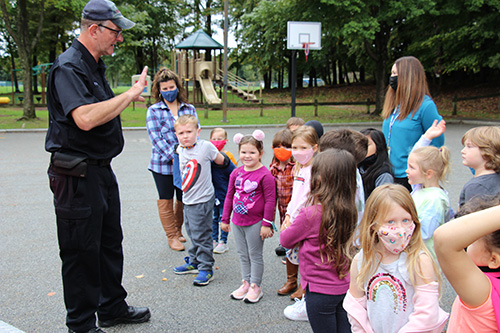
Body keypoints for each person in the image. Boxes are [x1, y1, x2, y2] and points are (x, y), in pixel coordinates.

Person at [44, 0, 151, 331]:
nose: (119, 39)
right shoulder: (68, 67)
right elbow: (85, 118)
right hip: (76, 173)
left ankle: (111, 307)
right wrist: (130, 95)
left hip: (100, 170)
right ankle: (80, 323)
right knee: (80, 252)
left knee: (108, 243)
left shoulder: (93, 65)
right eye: (115, 32)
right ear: (94, 29)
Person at [343, 184, 448, 333]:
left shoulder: (418, 261)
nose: (400, 229)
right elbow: (355, 307)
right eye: (390, 222)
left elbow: (427, 313)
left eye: (405, 220)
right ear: (373, 224)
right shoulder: (361, 261)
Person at [281, 149, 358, 332]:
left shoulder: (311, 214)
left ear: (320, 178)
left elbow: (286, 240)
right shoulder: (351, 210)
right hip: (345, 285)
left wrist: (287, 224)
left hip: (318, 289)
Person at [221, 130, 276, 303]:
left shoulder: (265, 175)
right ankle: (245, 282)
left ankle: (255, 286)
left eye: (252, 152)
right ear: (239, 152)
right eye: (243, 152)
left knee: (255, 254)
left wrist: (267, 223)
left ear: (260, 153)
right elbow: (229, 196)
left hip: (256, 222)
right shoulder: (236, 173)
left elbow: (270, 201)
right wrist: (224, 219)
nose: (247, 156)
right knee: (242, 254)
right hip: (237, 222)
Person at [146, 67, 198, 252]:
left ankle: (178, 229)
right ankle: (172, 236)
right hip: (163, 164)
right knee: (166, 199)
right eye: (165, 89)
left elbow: (194, 134)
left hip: (186, 163)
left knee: (183, 198)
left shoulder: (188, 108)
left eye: (171, 87)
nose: (169, 91)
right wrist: (175, 156)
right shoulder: (153, 110)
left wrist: (187, 156)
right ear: (159, 91)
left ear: (178, 87)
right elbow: (156, 138)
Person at [172, 115, 227, 286]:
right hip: (188, 199)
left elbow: (221, 161)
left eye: (189, 131)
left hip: (202, 199)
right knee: (191, 230)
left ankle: (206, 267)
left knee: (202, 234)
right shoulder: (180, 149)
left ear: (198, 131)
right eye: (181, 133)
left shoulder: (205, 147)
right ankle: (195, 261)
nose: (185, 136)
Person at [434, 195, 500, 331]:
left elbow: (444, 240)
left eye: (472, 241)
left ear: (493, 260)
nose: (465, 245)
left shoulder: (484, 291)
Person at [382, 56, 444, 192]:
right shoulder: (394, 105)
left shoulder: (426, 106)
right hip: (389, 173)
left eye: (395, 74)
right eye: (391, 73)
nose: (392, 78)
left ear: (407, 77)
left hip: (410, 177)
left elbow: (436, 145)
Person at [280, 125, 319, 320]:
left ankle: (306, 291)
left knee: (306, 257)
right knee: (296, 254)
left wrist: (293, 217)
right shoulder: (299, 167)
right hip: (294, 217)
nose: (298, 152)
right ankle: (298, 285)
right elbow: (295, 196)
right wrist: (287, 215)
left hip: (305, 220)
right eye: (295, 148)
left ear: (315, 147)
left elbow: (306, 198)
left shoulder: (314, 170)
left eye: (304, 148)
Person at [406, 120, 452, 259]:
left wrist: (399, 234)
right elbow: (415, 155)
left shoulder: (435, 200)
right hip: (415, 254)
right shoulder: (420, 187)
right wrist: (427, 137)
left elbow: (424, 233)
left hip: (425, 259)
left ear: (429, 173)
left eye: (412, 168)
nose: (406, 171)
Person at [209, 127, 236, 254]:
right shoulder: (209, 156)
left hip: (224, 194)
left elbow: (234, 174)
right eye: (214, 139)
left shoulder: (228, 157)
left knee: (223, 218)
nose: (216, 141)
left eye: (219, 139)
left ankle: (223, 242)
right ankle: (214, 239)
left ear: (225, 140)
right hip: (213, 195)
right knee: (213, 218)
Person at [459, 126, 500, 208]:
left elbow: (472, 219)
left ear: (487, 151)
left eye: (469, 146)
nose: (462, 151)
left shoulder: (477, 186)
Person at [269, 129, 295, 257]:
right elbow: (271, 196)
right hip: (282, 208)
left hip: (296, 208)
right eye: (278, 146)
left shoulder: (297, 167)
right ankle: (286, 246)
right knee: (284, 226)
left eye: (286, 146)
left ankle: (295, 249)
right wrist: (269, 220)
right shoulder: (273, 169)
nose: (282, 149)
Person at [358, 128, 394, 200]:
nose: (362, 148)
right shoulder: (358, 166)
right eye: (359, 144)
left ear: (378, 147)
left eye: (367, 145)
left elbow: (384, 201)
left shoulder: (384, 174)